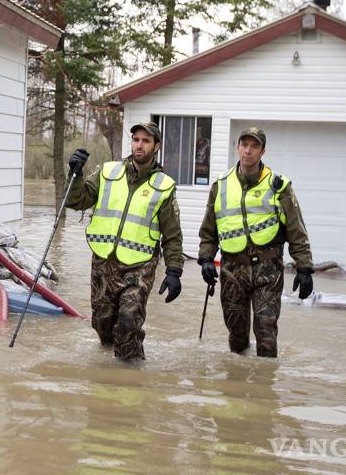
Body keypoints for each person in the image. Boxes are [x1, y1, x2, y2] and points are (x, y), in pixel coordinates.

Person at [65, 121, 185, 361]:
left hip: (140, 266)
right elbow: (76, 201)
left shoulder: (163, 187)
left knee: (128, 322)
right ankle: (106, 380)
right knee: (103, 326)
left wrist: (174, 270)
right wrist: (75, 174)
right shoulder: (108, 173)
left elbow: (172, 234)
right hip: (103, 262)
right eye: (136, 139)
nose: (139, 145)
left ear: (157, 146)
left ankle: (131, 380)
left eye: (146, 141)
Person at [197, 127, 314, 357]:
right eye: (244, 145)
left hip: (267, 269)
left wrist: (305, 267)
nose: (248, 151)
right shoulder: (220, 186)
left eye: (254, 146)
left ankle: (264, 385)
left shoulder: (278, 186)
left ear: (263, 151)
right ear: (237, 147)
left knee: (266, 330)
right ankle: (237, 387)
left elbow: (296, 229)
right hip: (232, 269)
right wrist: (206, 259)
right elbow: (209, 229)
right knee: (237, 336)